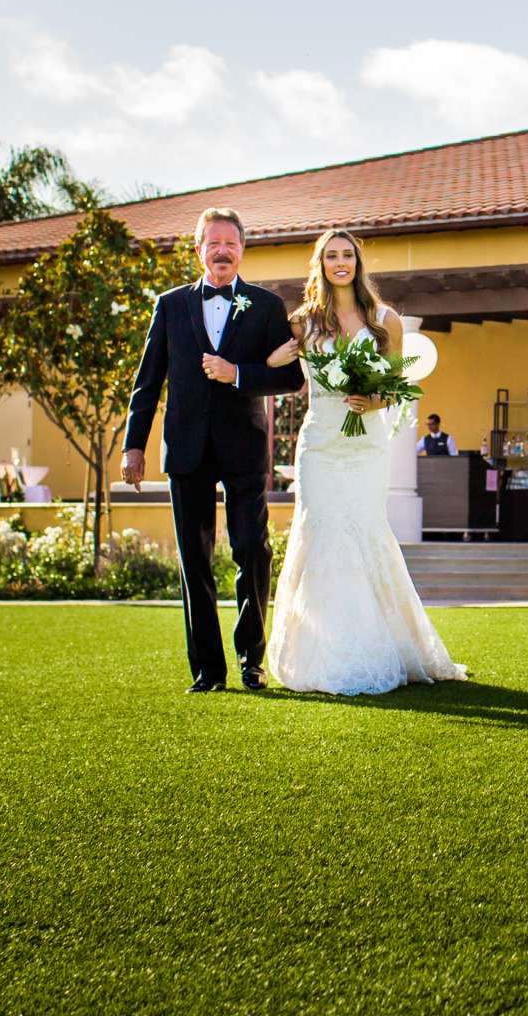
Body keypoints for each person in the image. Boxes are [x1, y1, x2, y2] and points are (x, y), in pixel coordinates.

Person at [262, 228, 466, 694]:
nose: (340, 262)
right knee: (321, 530)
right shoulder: (304, 323)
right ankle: (321, 649)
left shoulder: (384, 319)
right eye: (331, 255)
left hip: (366, 445)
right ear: (320, 263)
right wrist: (275, 359)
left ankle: (379, 645)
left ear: (357, 263)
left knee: (363, 530)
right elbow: (263, 364)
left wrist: (374, 402)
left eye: (347, 255)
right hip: (320, 444)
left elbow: (394, 385)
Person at [123, 208, 307, 694]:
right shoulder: (169, 305)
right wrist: (133, 446)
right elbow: (147, 383)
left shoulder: (266, 306)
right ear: (199, 249)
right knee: (194, 559)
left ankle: (252, 660)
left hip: (244, 448)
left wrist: (239, 374)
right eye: (214, 242)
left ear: (242, 249)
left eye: (231, 243)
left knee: (253, 550)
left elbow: (291, 376)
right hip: (185, 450)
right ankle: (208, 669)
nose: (222, 251)